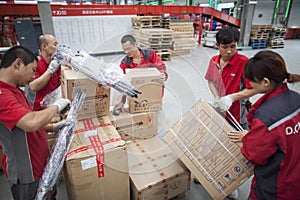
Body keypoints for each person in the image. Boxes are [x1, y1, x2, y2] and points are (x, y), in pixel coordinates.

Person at [227, 50, 300, 200]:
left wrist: (248, 138)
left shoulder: (265, 117)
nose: (250, 85)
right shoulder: (296, 98)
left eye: (251, 81)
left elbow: (255, 155)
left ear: (265, 82)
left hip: (276, 187)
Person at [0, 46, 71, 200]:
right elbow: (30, 122)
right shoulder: (2, 97)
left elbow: (24, 121)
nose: (33, 76)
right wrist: (56, 106)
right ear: (18, 64)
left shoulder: (15, 90)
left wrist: (53, 126)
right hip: (27, 176)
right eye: (32, 70)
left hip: (40, 166)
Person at [202, 26, 257, 199]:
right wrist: (217, 97)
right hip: (219, 110)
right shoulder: (213, 61)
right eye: (225, 47)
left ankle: (231, 182)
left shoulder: (244, 63)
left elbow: (253, 89)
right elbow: (210, 81)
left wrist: (231, 98)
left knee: (234, 149)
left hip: (236, 115)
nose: (229, 51)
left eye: (233, 46)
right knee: (216, 144)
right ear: (217, 45)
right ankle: (211, 174)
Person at [113, 34, 168, 115]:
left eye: (128, 49)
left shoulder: (150, 54)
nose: (126, 52)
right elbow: (122, 82)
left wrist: (163, 74)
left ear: (136, 45)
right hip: (137, 95)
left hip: (153, 91)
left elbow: (161, 66)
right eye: (124, 50)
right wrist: (121, 102)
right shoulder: (125, 62)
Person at [29, 34, 61, 111]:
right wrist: (50, 71)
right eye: (55, 44)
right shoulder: (36, 65)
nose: (58, 48)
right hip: (40, 109)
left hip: (53, 106)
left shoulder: (55, 63)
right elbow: (33, 86)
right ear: (44, 46)